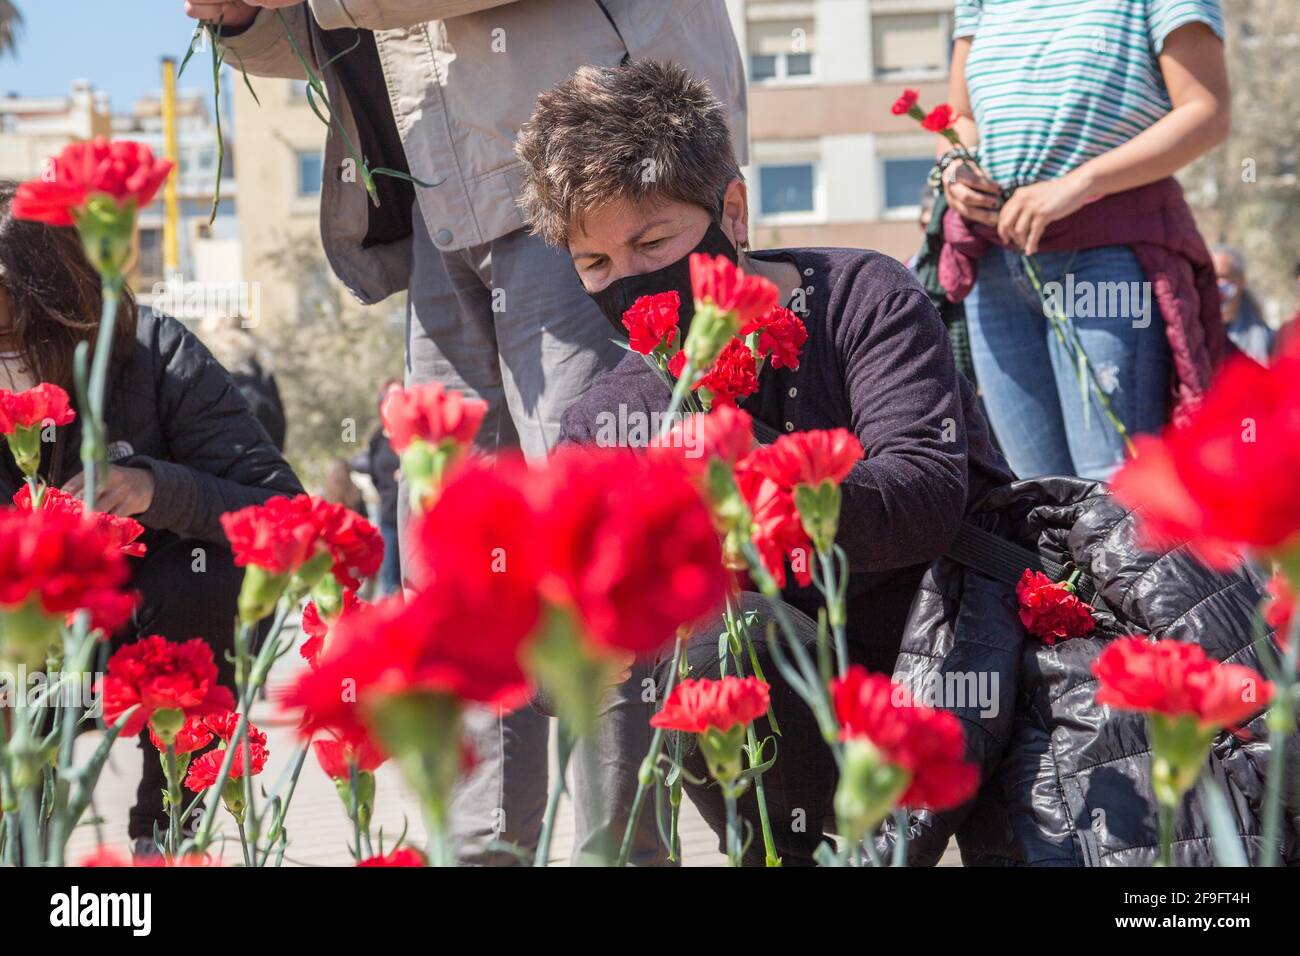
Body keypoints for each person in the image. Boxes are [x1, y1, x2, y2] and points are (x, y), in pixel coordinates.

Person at [186, 0, 747, 865]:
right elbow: (326, 41)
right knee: (469, 563)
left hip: (598, 191)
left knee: (600, 557)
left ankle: (627, 853)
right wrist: (244, 17)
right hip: (443, 212)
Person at [514, 61, 1014, 864]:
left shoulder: (860, 298)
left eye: (651, 241)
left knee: (720, 629)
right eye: (595, 265)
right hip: (776, 739)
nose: (630, 279)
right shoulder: (605, 419)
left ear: (733, 211)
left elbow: (924, 497)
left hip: (946, 679)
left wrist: (733, 491)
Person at [0, 183, 303, 853]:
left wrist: (151, 488)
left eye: (5, 310)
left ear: (59, 300)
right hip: (25, 644)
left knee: (209, 573)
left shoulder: (157, 352)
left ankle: (162, 838)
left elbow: (281, 511)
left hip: (151, 627)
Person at [939, 0, 1231, 481]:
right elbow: (959, 116)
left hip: (1104, 253)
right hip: (995, 267)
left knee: (1115, 487)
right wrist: (955, 168)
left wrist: (1079, 184)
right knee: (1032, 491)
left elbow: (1207, 111)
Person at [350, 379, 402, 596]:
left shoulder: (417, 433)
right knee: (391, 582)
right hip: (388, 518)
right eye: (391, 397)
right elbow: (367, 468)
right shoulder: (377, 439)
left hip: (415, 517)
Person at [1211, 244, 1275, 363]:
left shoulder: (1267, 338)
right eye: (1210, 277)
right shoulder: (1193, 330)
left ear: (1241, 281)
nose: (1215, 285)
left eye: (1222, 277)